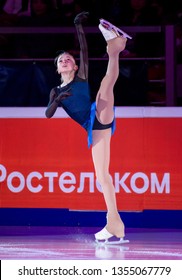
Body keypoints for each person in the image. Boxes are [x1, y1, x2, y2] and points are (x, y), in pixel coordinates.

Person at [45, 12, 130, 243]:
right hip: (92, 129)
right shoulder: (56, 91)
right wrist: (57, 101)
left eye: (68, 59)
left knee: (106, 85)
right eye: (61, 60)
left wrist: (78, 26)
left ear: (74, 65)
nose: (66, 60)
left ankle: (114, 48)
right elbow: (48, 114)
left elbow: (83, 50)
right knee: (103, 177)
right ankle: (115, 223)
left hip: (98, 112)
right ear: (58, 69)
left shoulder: (80, 76)